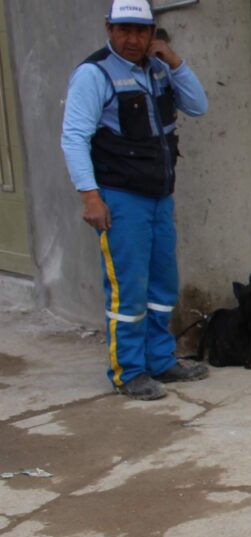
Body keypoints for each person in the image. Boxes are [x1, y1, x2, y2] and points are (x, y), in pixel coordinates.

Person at [61, 0, 209, 400]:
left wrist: (175, 61)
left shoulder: (159, 69)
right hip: (121, 198)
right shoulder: (95, 75)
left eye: (140, 31)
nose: (132, 39)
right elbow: (74, 137)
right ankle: (129, 371)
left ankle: (161, 360)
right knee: (129, 289)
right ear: (108, 28)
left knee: (162, 286)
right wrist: (91, 198)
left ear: (151, 33)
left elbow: (198, 105)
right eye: (123, 29)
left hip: (160, 196)